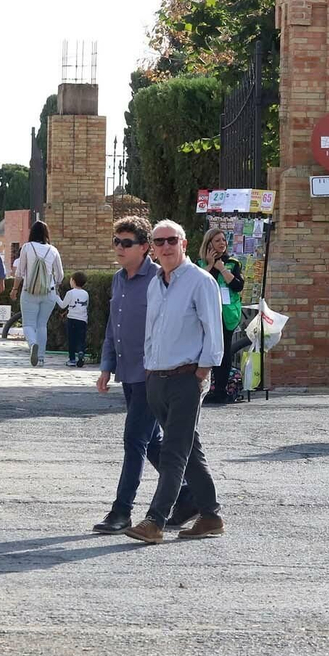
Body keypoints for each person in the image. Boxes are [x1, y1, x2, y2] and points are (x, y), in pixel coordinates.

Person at [123, 219, 225, 544]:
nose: (166, 247)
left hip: (186, 379)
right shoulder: (156, 283)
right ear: (152, 247)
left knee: (173, 452)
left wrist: (202, 373)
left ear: (183, 243)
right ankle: (210, 515)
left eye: (172, 240)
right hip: (157, 379)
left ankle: (155, 521)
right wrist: (149, 368)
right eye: (160, 241)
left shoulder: (200, 281)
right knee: (189, 450)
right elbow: (152, 331)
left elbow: (214, 332)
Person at [94, 216, 194, 534]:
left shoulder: (159, 279)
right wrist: (106, 366)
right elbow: (114, 327)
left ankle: (121, 511)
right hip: (128, 371)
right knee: (151, 442)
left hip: (154, 373)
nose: (120, 248)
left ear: (145, 248)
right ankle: (189, 493)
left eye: (127, 243)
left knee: (134, 439)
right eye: (117, 242)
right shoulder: (118, 280)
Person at [197, 229, 245, 404]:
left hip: (227, 315)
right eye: (217, 240)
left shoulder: (232, 263)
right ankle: (206, 387)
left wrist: (222, 269)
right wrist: (209, 266)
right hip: (207, 313)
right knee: (205, 350)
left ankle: (221, 390)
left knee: (223, 353)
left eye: (224, 240)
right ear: (209, 243)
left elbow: (238, 286)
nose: (222, 243)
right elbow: (198, 285)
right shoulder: (200, 264)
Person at [15, 221, 65, 367]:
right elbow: (60, 275)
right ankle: (41, 357)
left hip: (29, 290)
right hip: (48, 292)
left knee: (28, 324)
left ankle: (32, 345)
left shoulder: (26, 247)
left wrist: (14, 289)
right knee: (42, 324)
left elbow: (19, 272)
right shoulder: (53, 250)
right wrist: (54, 285)